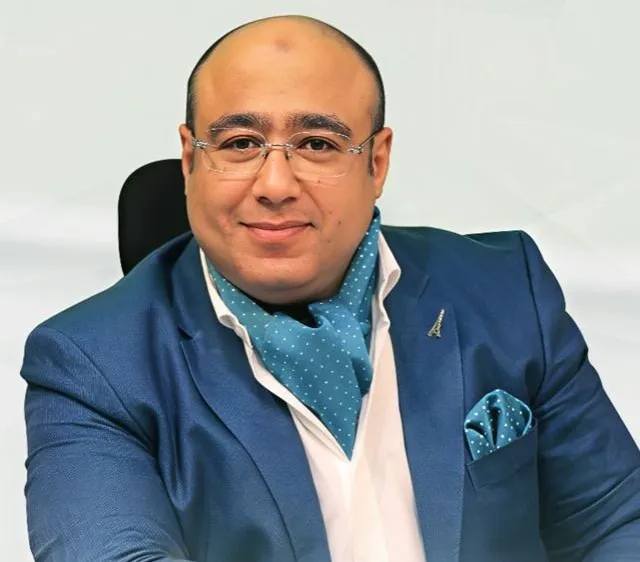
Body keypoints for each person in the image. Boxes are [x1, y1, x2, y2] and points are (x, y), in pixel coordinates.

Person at [20, 14, 640, 562]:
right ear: (189, 160)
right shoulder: (89, 364)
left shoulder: (506, 290)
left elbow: (617, 521)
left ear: (377, 162)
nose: (274, 184)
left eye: (317, 144)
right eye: (240, 144)